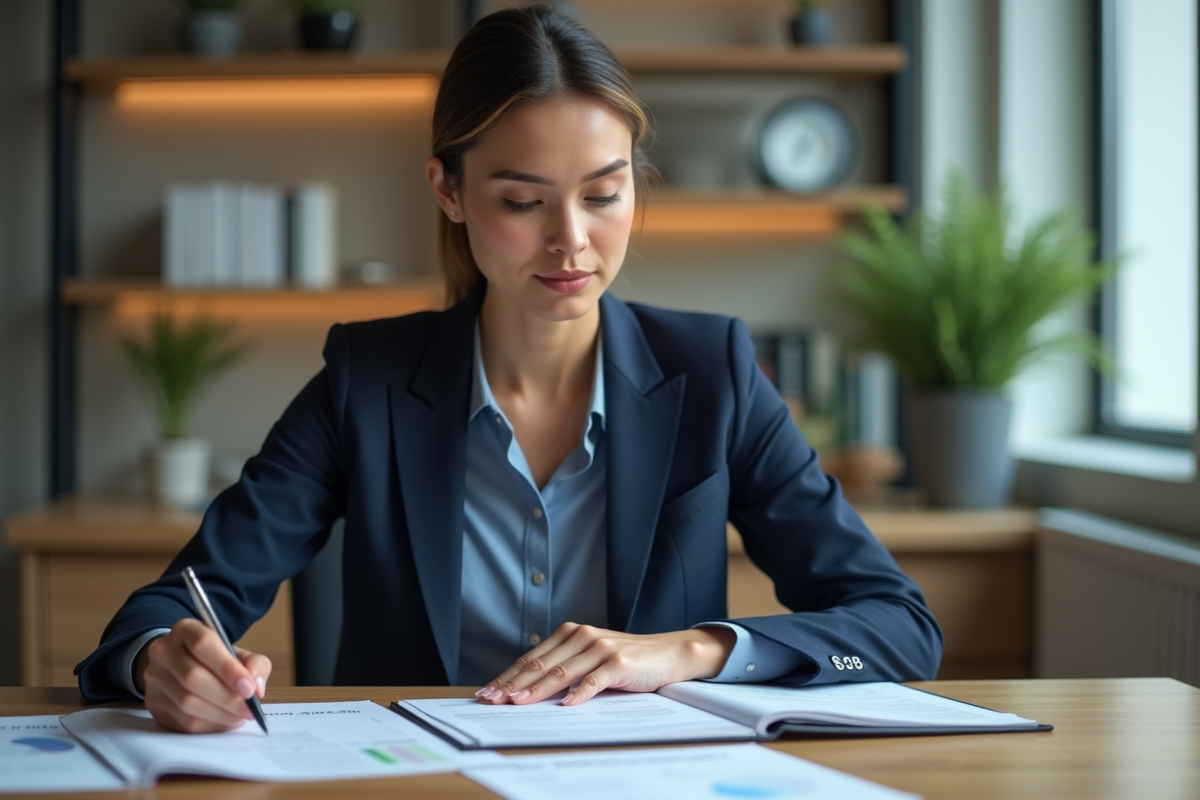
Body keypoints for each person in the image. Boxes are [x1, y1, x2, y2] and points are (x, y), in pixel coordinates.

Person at [75, 4, 941, 734]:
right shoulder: (366, 381)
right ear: (448, 191)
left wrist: (686, 650)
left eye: (604, 194)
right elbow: (165, 609)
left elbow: (897, 625)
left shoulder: (711, 374)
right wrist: (165, 661)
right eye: (523, 202)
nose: (571, 239)